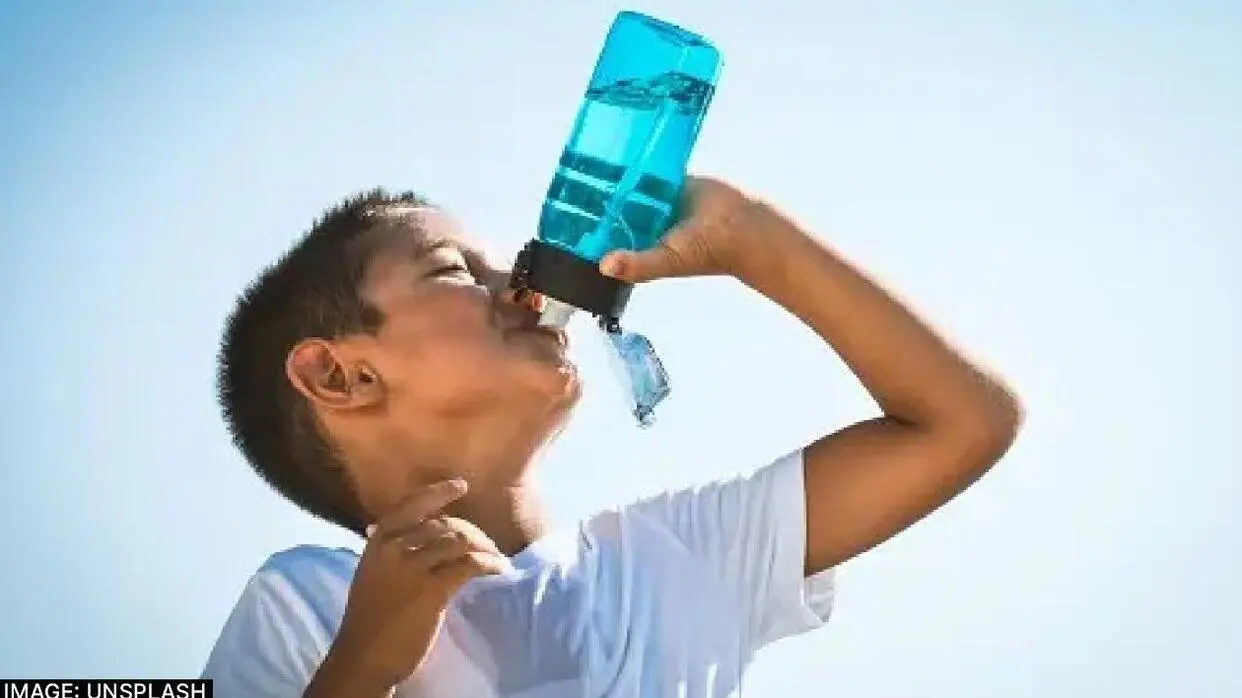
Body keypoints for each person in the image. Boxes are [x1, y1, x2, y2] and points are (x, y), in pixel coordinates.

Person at [201, 176, 1023, 697]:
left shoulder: (678, 559)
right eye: (456, 272)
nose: (523, 287)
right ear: (343, 378)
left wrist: (751, 238)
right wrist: (363, 667)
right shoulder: (306, 604)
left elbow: (962, 423)